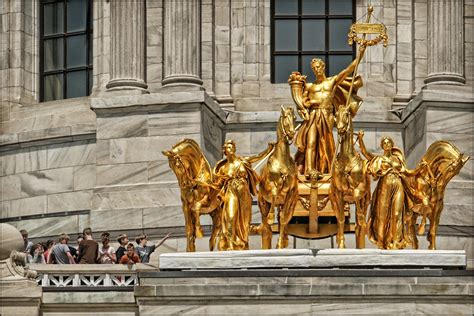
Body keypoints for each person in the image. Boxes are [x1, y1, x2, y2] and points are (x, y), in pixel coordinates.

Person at [288, 45, 366, 176]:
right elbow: (303, 102)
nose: (316, 70)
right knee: (311, 142)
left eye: (318, 67)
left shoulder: (331, 82)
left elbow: (348, 70)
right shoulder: (310, 86)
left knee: (325, 142)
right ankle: (310, 170)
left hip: (327, 114)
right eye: (314, 68)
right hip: (313, 115)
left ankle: (326, 168)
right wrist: (311, 102)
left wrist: (360, 55)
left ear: (323, 67)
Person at [358, 132, 426, 249]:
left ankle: (396, 242)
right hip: (384, 187)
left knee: (397, 214)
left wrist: (418, 169)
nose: (386, 144)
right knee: (382, 216)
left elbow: (408, 172)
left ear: (392, 144)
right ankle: (382, 242)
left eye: (388, 142)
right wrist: (360, 139)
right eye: (384, 143)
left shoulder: (397, 159)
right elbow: (365, 153)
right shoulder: (379, 159)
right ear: (382, 146)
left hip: (398, 185)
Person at [213, 140, 274, 250]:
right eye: (228, 147)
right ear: (225, 151)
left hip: (244, 192)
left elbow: (257, 157)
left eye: (232, 147)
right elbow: (217, 185)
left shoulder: (243, 161)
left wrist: (269, 149)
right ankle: (230, 244)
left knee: (245, 220)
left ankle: (243, 243)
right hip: (231, 192)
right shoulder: (223, 168)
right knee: (230, 217)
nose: (231, 149)